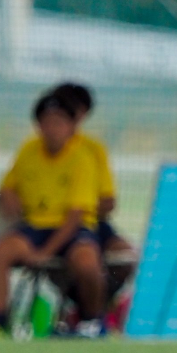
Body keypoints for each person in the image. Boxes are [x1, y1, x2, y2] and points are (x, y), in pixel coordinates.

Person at [0, 92, 106, 338]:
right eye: (47, 122)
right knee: (2, 252)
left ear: (71, 127)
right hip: (34, 227)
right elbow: (7, 187)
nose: (53, 129)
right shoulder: (29, 151)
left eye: (59, 123)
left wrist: (45, 253)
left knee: (87, 262)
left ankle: (90, 322)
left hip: (70, 230)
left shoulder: (83, 158)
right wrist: (8, 197)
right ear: (38, 125)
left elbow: (75, 216)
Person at [53, 82, 135, 313]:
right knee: (81, 262)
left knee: (128, 257)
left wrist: (81, 207)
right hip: (52, 226)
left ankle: (97, 306)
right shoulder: (35, 150)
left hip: (90, 224)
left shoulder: (92, 149)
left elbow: (108, 202)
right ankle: (88, 312)